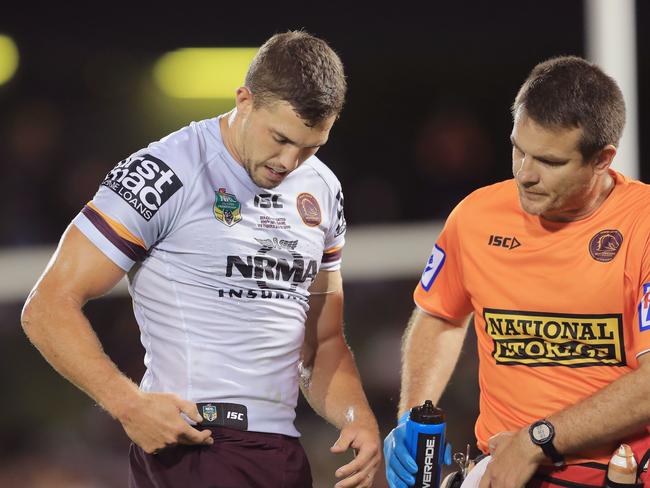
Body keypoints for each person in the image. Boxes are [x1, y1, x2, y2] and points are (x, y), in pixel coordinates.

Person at [21, 30, 380, 488]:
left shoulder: (322, 190)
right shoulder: (166, 171)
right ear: (245, 100)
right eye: (281, 139)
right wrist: (128, 405)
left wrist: (358, 417)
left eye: (311, 147)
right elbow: (48, 306)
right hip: (196, 448)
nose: (291, 161)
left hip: (281, 455)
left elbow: (323, 343)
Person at [384, 55, 650, 488]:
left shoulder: (644, 226)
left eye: (549, 161)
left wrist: (535, 441)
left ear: (603, 159)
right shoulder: (476, 217)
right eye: (518, 150)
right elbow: (441, 315)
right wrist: (413, 414)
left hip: (614, 473)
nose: (525, 174)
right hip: (500, 472)